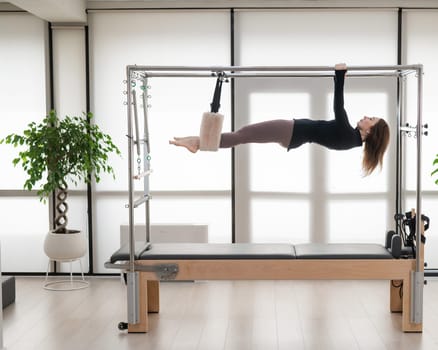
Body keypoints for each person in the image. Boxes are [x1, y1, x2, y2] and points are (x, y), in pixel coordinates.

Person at [170, 63, 390, 175]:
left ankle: (197, 143)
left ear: (371, 131)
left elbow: (338, 107)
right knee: (243, 134)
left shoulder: (349, 136)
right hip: (291, 134)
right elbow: (339, 113)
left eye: (371, 118)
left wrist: (340, 76)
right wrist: (339, 77)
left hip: (290, 131)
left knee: (242, 135)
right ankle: (195, 140)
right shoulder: (351, 138)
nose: (365, 117)